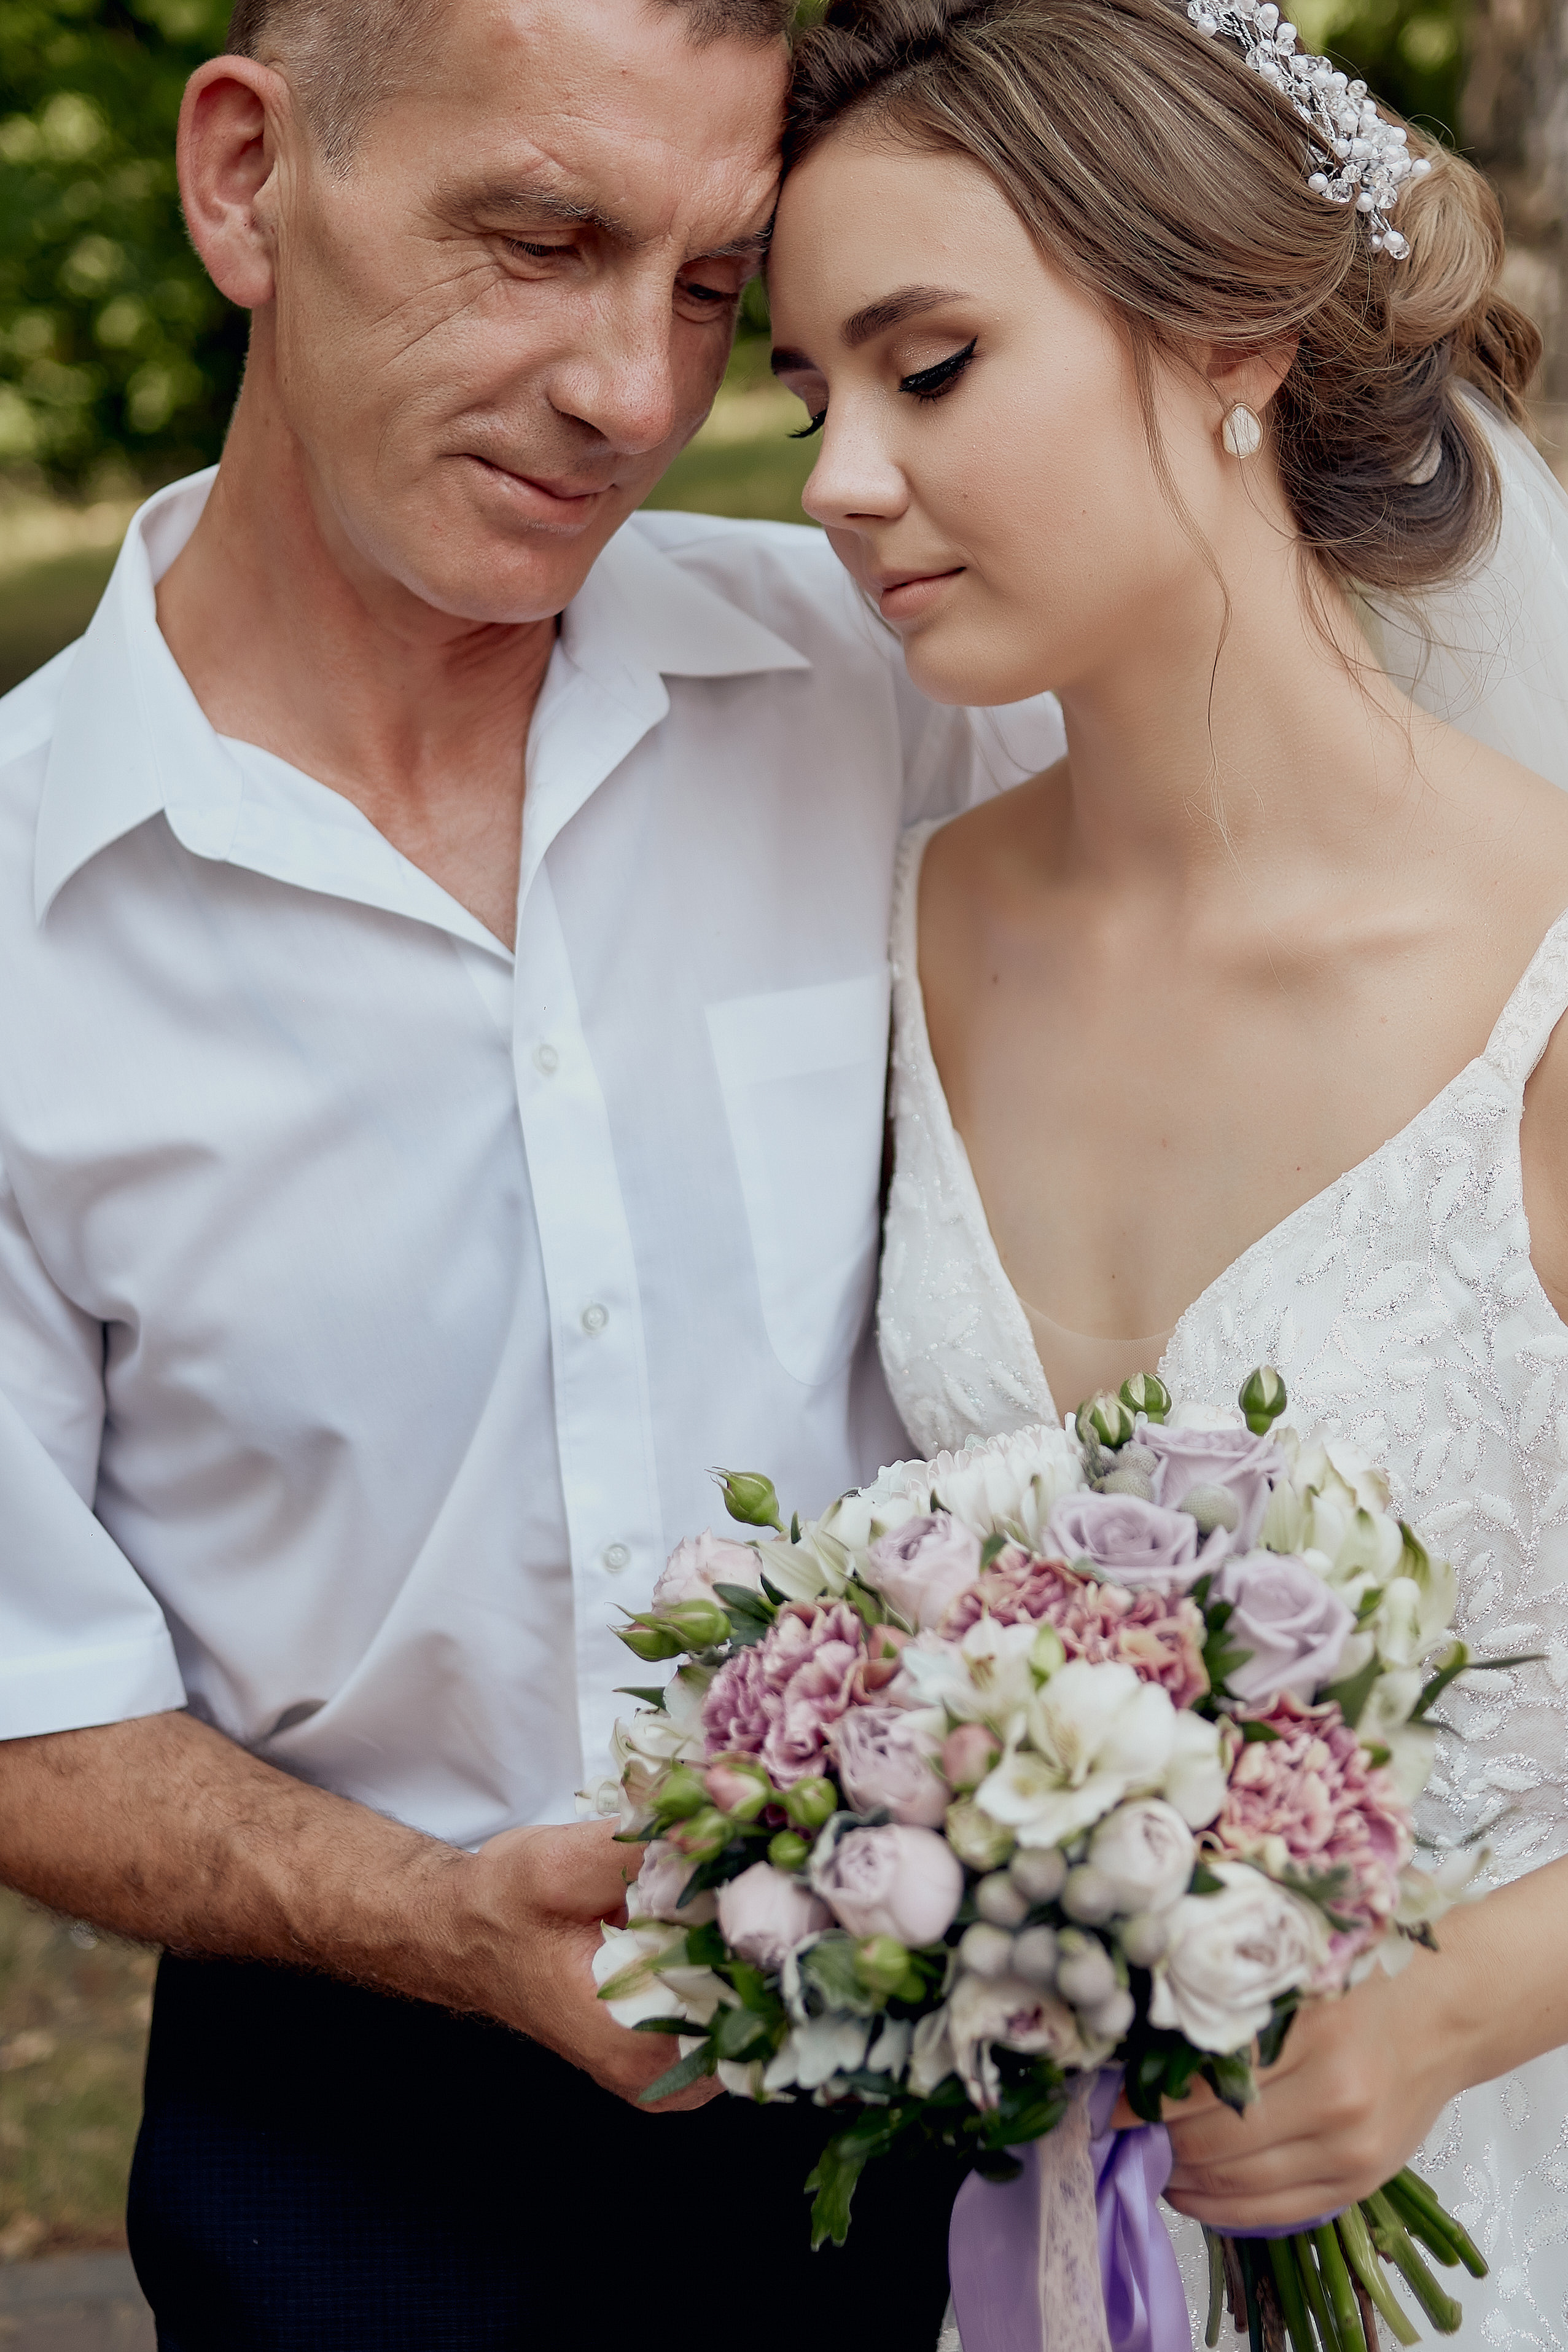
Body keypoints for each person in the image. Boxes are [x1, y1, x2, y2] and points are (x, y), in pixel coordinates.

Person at [0, 1, 1062, 2343]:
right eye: (543, 238)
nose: (632, 396)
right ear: (245, 177)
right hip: (354, 2156)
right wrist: (422, 1920)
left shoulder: (907, 691)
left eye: (707, 287)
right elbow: (20, 1697)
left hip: (1019, 2112)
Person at [765, 0, 1568, 2343]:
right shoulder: (912, 926)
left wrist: (1439, 2012)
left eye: (927, 369)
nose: (830, 479)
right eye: (806, 393)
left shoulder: (1549, 981)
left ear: (1225, 338)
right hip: (1040, 2247)